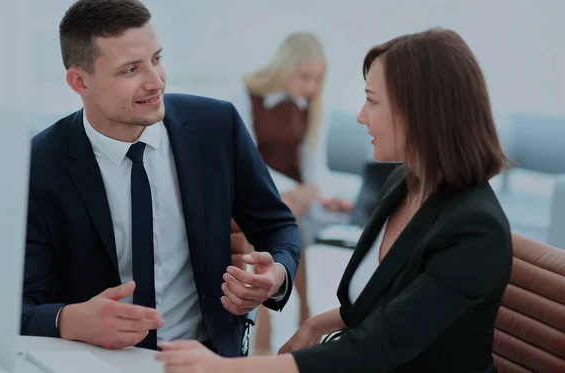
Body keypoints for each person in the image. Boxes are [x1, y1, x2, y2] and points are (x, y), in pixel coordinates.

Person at [155, 28, 513, 373]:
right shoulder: (404, 183)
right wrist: (314, 324)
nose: (360, 116)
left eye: (372, 101)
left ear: (420, 112)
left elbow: (376, 347)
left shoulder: (475, 231)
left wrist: (228, 369)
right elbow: (381, 301)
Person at [20, 0, 302, 358]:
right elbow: (15, 304)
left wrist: (274, 277)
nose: (156, 82)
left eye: (157, 58)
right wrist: (69, 320)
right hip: (94, 360)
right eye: (131, 70)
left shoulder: (217, 127)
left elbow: (279, 227)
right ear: (80, 81)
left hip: (209, 356)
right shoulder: (39, 164)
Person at [232, 32, 352, 354]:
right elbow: (247, 161)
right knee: (283, 211)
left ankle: (262, 340)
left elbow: (314, 167)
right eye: (305, 77)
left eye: (317, 79)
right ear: (285, 68)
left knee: (281, 220)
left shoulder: (312, 106)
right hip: (257, 191)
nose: (312, 87)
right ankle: (302, 310)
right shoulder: (246, 94)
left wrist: (325, 198)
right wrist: (294, 191)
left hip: (294, 201)